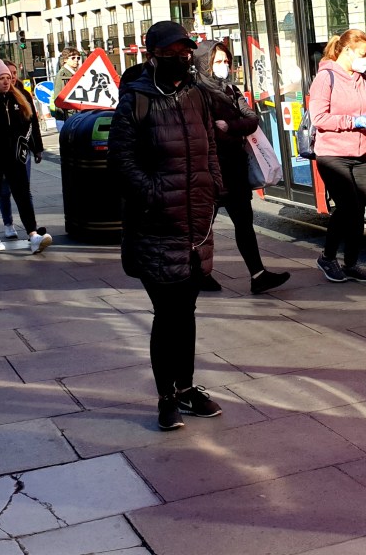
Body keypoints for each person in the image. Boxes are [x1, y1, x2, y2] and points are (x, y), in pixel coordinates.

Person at [108, 21, 225, 431]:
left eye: (186, 50)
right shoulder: (135, 101)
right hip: (156, 226)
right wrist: (154, 193)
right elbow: (120, 162)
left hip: (196, 223)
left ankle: (188, 387)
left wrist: (215, 187)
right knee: (167, 313)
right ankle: (166, 397)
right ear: (152, 55)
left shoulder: (196, 95)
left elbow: (210, 144)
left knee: (187, 311)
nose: (182, 57)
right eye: (173, 51)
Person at [193, 39, 290, 295]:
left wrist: (231, 127)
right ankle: (197, 273)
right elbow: (211, 131)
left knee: (244, 223)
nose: (224, 66)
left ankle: (258, 275)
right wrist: (230, 129)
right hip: (212, 168)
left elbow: (252, 119)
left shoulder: (231, 89)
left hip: (235, 168)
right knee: (204, 224)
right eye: (218, 62)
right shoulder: (199, 93)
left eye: (226, 61)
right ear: (205, 64)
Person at [309, 29, 366, 283]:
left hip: (358, 153)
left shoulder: (363, 79)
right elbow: (319, 118)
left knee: (357, 210)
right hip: (332, 154)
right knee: (347, 207)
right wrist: (353, 120)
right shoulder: (325, 77)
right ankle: (327, 257)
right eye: (363, 54)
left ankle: (351, 263)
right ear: (347, 51)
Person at [0, 58, 51, 254]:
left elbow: (29, 122)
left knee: (23, 195)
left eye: (8, 77)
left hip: (14, 159)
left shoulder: (18, 99)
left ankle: (33, 235)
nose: (7, 81)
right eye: (1, 78)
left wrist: (24, 143)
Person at [0, 60, 42, 240]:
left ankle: (31, 227)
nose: (12, 77)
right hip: (1, 153)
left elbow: (33, 123)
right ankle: (8, 223)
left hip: (22, 152)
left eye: (14, 73)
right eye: (7, 74)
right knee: (4, 191)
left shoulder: (23, 94)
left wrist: (37, 148)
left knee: (24, 190)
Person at [51, 48, 80, 129]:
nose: (76, 60)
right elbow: (59, 98)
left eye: (78, 58)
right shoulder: (62, 75)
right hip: (67, 117)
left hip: (75, 115)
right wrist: (63, 118)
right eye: (73, 58)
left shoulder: (74, 73)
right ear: (65, 60)